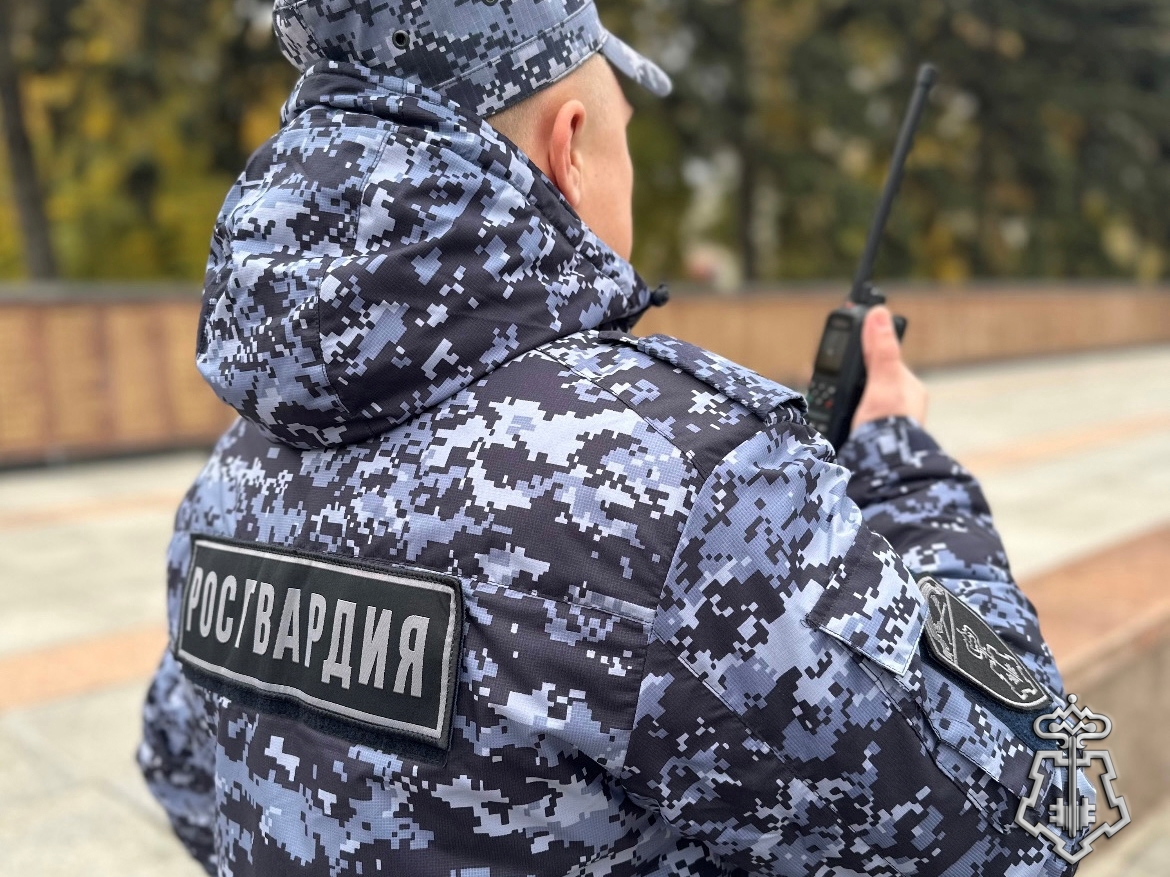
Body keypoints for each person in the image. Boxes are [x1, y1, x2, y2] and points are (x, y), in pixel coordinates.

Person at [138, 1, 1080, 874]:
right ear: (572, 149)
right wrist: (903, 468)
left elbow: (182, 766)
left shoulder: (235, 473)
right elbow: (1032, 807)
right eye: (623, 135)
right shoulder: (687, 477)